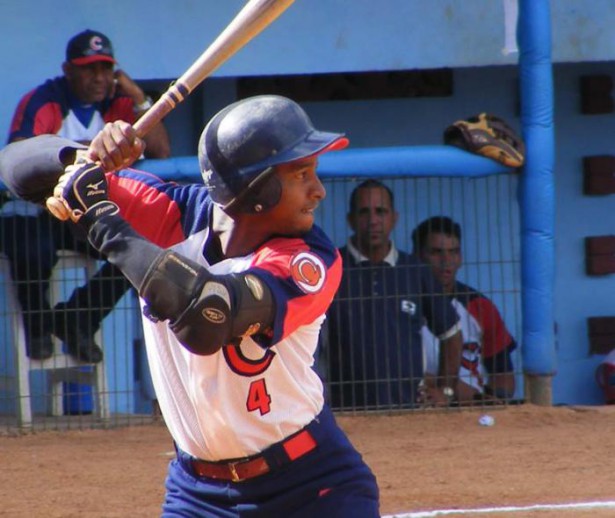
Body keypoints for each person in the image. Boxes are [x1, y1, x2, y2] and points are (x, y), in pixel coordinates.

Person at [0, 95, 380, 516]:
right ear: (259, 188)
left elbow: (206, 321)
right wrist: (81, 157)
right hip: (198, 494)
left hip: (309, 486)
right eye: (301, 174)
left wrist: (104, 222)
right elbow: (14, 166)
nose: (318, 190)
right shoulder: (174, 213)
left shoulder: (309, 258)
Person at [1, 29, 170, 362]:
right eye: (89, 69)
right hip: (39, 210)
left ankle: (78, 317)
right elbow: (19, 158)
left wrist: (138, 97)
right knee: (34, 247)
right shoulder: (46, 100)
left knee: (134, 249)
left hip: (86, 212)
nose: (99, 78)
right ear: (68, 70)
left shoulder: (117, 104)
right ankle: (37, 328)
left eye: (105, 69)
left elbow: (162, 150)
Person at [325, 179, 464, 410]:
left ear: (394, 218)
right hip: (343, 412)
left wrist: (445, 391)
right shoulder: (331, 269)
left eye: (381, 212)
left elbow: (452, 335)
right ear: (350, 220)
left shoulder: (414, 270)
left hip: (409, 411)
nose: (373, 221)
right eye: (364, 212)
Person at [412, 216, 517, 402]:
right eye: (436, 252)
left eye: (453, 252)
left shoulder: (479, 305)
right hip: (419, 406)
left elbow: (504, 376)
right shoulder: (402, 305)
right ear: (417, 255)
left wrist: (493, 399)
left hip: (473, 411)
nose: (446, 261)